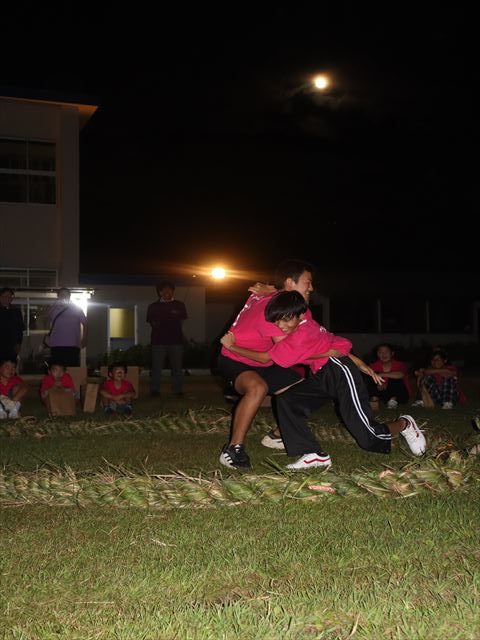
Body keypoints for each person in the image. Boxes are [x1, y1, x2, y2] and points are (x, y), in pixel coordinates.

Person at [222, 291, 426, 470]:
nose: (281, 326)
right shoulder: (305, 319)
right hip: (322, 374)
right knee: (287, 400)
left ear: (300, 316)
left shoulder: (298, 338)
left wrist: (231, 346)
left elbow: (266, 358)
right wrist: (360, 363)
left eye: (286, 320)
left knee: (368, 437)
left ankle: (405, 424)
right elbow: (332, 346)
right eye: (277, 321)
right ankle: (313, 454)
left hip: (339, 372)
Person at [217, 258, 336, 469]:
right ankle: (233, 449)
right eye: (307, 282)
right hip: (236, 359)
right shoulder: (275, 310)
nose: (311, 288)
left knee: (305, 391)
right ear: (290, 283)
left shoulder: (278, 298)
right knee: (258, 388)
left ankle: (277, 436)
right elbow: (287, 353)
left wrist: (271, 287)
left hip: (264, 359)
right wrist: (330, 353)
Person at [146, 281, 188, 397]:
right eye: (164, 290)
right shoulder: (153, 306)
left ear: (173, 292)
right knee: (156, 367)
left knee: (177, 367)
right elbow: (151, 322)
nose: (167, 293)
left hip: (176, 342)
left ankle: (177, 390)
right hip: (158, 342)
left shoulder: (180, 305)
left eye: (170, 290)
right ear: (160, 292)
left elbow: (182, 320)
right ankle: (155, 390)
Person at [47, 287, 87, 367]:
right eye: (62, 294)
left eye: (66, 295)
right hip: (56, 345)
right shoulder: (54, 308)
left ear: (69, 296)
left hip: (73, 345)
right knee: (56, 369)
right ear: (58, 296)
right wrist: (54, 304)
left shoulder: (77, 309)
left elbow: (85, 324)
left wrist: (84, 339)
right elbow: (45, 317)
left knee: (72, 369)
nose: (64, 296)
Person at [365, 343, 411, 410]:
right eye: (380, 352)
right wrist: (378, 382)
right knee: (371, 376)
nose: (384, 354)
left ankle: (393, 400)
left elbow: (401, 374)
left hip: (399, 393)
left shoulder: (400, 364)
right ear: (377, 354)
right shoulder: (373, 365)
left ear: (392, 353)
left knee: (395, 379)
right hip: (382, 391)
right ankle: (374, 399)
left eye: (386, 352)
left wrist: (380, 375)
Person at [0, 287, 25, 363]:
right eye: (5, 296)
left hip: (12, 346)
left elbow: (20, 329)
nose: (7, 298)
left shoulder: (16, 311)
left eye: (10, 296)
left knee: (11, 365)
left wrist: (19, 343)